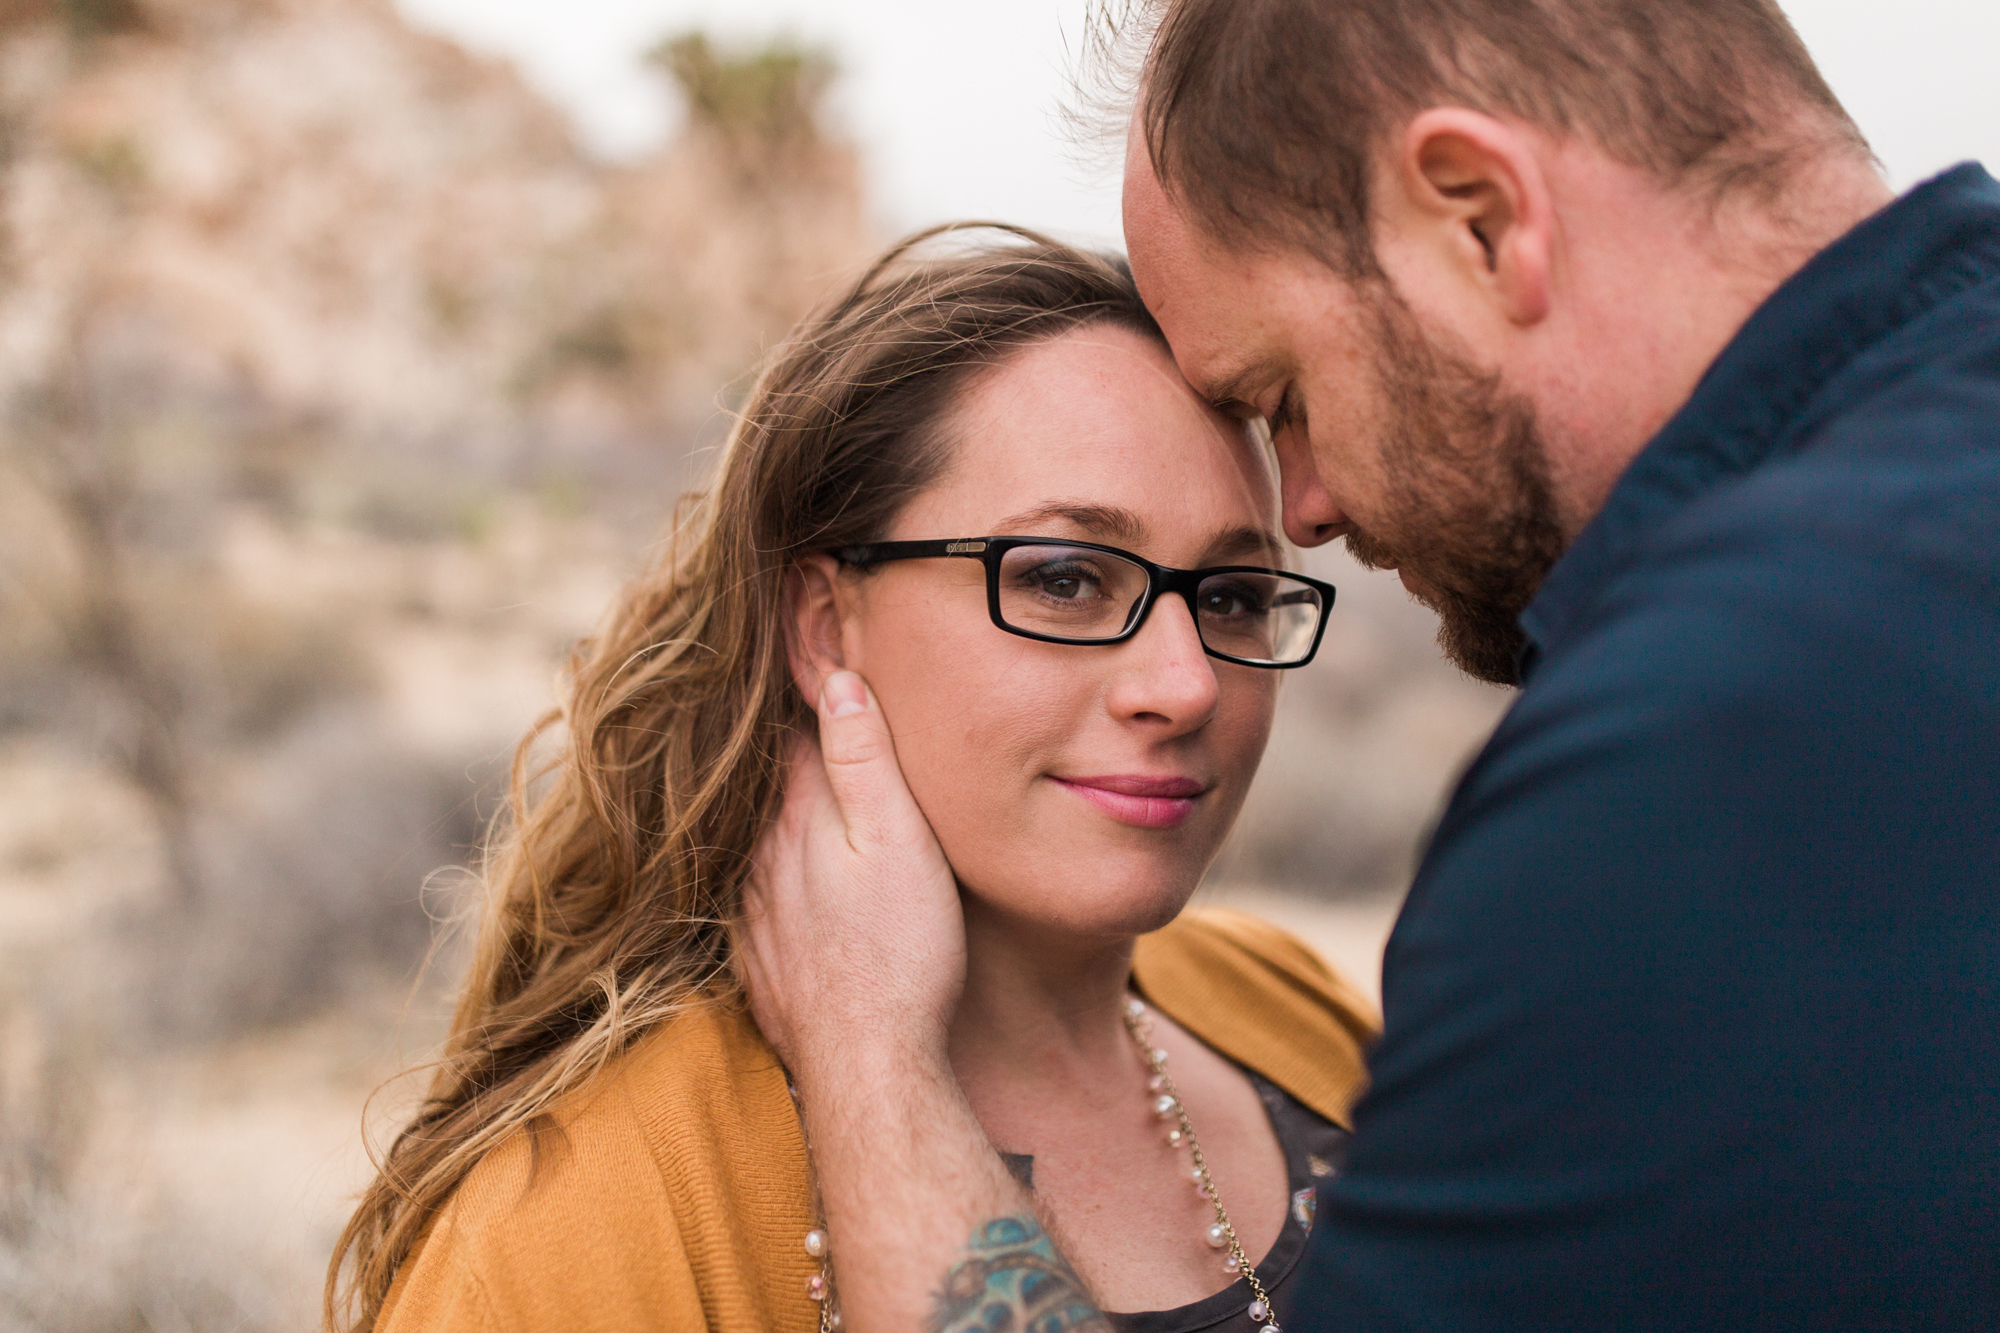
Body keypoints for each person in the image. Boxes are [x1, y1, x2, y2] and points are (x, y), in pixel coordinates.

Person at [739, 1, 2000, 1330]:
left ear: (1478, 217)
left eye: (1283, 395)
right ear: (823, 619)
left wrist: (875, 1069)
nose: (1310, 507)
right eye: (1064, 576)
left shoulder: (1692, 786)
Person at [323, 227, 1384, 1333]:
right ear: (825, 625)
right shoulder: (572, 1228)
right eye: (1064, 577)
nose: (1185, 684)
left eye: (1233, 596)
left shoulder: (1279, 1002)